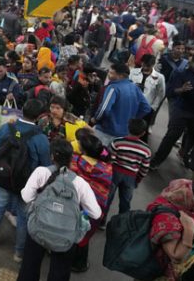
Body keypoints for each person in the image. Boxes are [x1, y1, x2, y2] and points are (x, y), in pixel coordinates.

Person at [17, 139, 102, 281]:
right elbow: (96, 213)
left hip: (38, 228)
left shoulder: (41, 172)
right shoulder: (80, 183)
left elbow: (26, 197)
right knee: (60, 272)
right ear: (71, 159)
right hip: (66, 236)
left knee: (30, 266)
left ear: (52, 157)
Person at [0, 99, 51, 262]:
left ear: (22, 111)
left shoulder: (6, 128)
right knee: (23, 216)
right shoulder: (41, 139)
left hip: (3, 177)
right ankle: (19, 252)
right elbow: (45, 166)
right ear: (40, 117)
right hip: (27, 184)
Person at [151, 54, 194, 169]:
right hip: (182, 110)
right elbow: (170, 92)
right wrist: (181, 89)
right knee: (171, 136)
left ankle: (185, 157)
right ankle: (156, 161)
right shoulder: (183, 74)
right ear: (192, 63)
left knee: (192, 140)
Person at [68, 130, 113, 272]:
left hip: (74, 205)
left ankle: (64, 256)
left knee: (69, 230)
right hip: (94, 210)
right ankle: (79, 264)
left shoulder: (75, 162)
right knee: (83, 235)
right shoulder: (107, 168)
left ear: (83, 149)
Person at [146, 179, 194, 281]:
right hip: (156, 274)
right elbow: (176, 256)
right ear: (190, 203)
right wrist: (189, 230)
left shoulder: (193, 216)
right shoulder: (166, 219)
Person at [91, 62, 152, 146]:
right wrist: (132, 118)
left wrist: (96, 118)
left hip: (106, 131)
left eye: (111, 73)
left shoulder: (113, 88)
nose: (108, 75)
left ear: (120, 76)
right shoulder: (135, 88)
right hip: (124, 133)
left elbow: (104, 109)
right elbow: (146, 108)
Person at [107, 118, 152, 215]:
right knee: (125, 202)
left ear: (128, 128)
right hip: (131, 177)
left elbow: (110, 160)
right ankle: (121, 223)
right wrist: (138, 179)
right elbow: (144, 169)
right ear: (143, 133)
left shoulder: (117, 142)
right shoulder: (146, 150)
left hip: (114, 173)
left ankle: (101, 221)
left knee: (108, 197)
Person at [129, 54, 165, 135]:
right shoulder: (133, 72)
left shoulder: (159, 77)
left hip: (146, 108)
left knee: (141, 130)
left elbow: (161, 94)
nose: (145, 68)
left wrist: (153, 107)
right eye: (144, 65)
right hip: (131, 104)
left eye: (148, 66)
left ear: (153, 65)